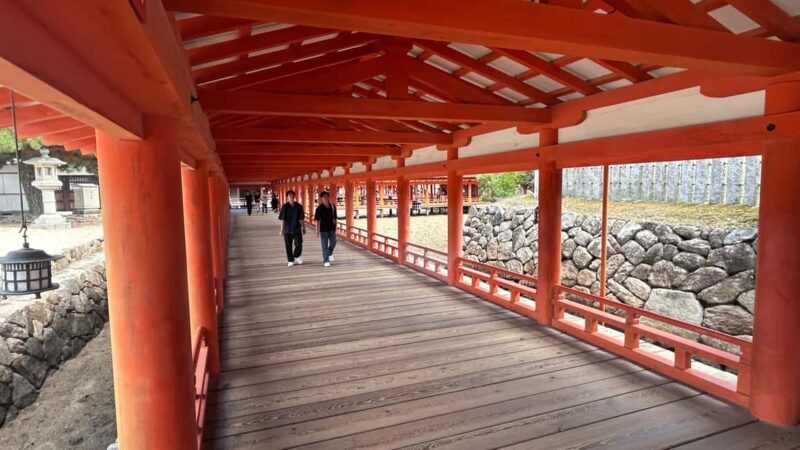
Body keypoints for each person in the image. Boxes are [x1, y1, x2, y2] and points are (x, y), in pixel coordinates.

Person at [279, 190, 305, 266]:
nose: (291, 197)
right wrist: (281, 230)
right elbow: (283, 219)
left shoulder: (299, 206)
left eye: (292, 195)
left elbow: (301, 219)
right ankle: (290, 260)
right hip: (287, 229)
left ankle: (297, 255)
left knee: (299, 243)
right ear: (287, 197)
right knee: (288, 245)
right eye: (289, 195)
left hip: (297, 228)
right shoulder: (285, 206)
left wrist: (304, 228)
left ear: (294, 196)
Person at [314, 191, 337, 267]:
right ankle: (326, 260)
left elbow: (335, 219)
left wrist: (335, 229)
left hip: (331, 229)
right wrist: (317, 231)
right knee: (324, 245)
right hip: (323, 230)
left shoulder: (333, 207)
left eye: (327, 196)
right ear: (321, 198)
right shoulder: (319, 209)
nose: (325, 198)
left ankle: (329, 253)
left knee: (333, 242)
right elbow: (317, 220)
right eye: (324, 197)